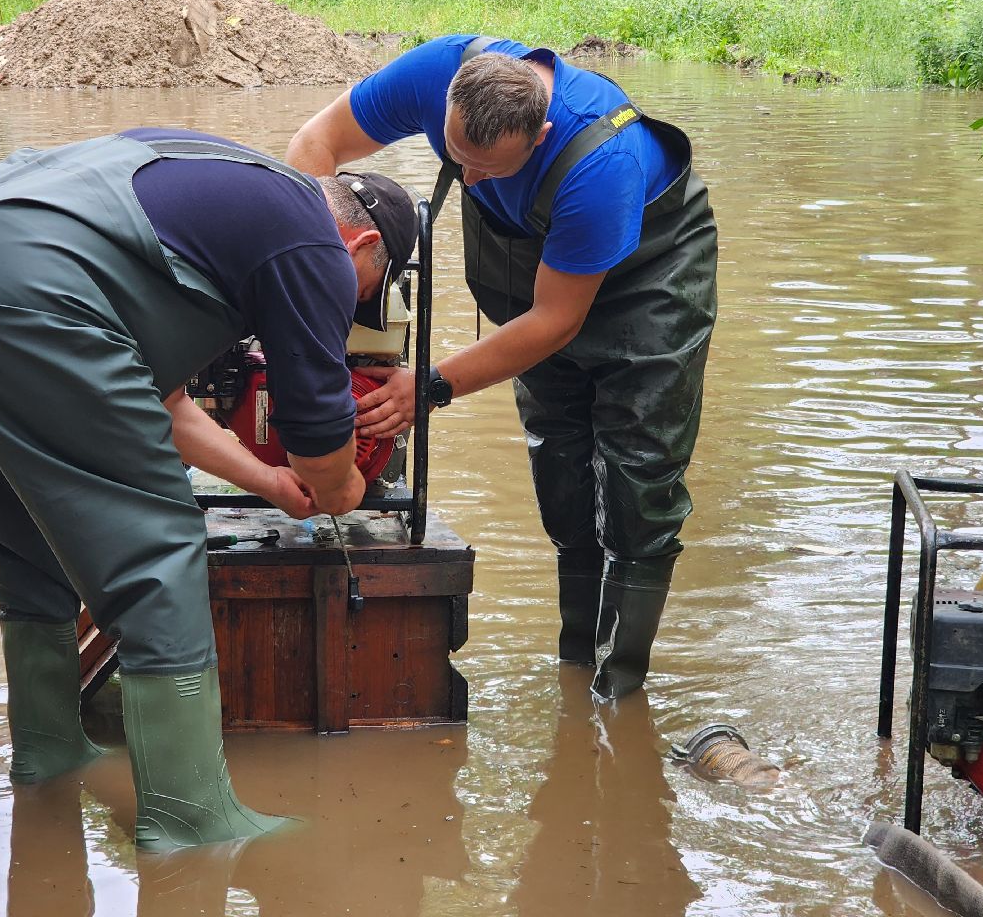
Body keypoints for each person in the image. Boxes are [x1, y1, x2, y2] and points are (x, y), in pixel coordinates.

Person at [0, 128, 417, 850]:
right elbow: (318, 431)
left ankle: (49, 753)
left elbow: (162, 403)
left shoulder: (220, 192)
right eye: (360, 297)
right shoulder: (316, 245)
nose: (342, 313)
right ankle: (191, 822)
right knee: (161, 551)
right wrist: (339, 482)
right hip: (23, 293)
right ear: (357, 246)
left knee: (23, 543)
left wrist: (269, 483)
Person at [288, 35, 717, 701]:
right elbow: (315, 145)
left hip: (649, 275)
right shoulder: (436, 73)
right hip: (545, 270)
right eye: (457, 158)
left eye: (488, 170)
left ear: (539, 133)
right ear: (447, 103)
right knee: (562, 475)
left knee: (640, 482)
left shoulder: (601, 162)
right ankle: (577, 667)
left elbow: (556, 323)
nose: (471, 180)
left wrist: (428, 386)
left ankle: (617, 692)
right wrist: (320, 275)